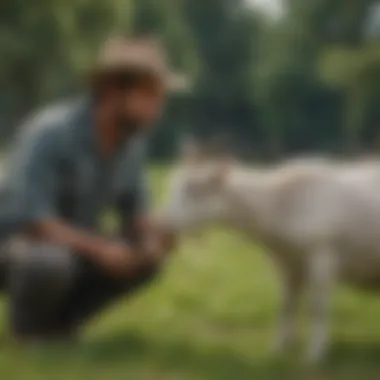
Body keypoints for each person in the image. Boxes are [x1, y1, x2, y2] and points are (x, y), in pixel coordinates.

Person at [0, 35, 186, 343]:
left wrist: (156, 237)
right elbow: (36, 221)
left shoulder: (132, 146)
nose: (158, 109)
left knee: (147, 257)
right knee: (49, 262)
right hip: (16, 242)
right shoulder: (51, 132)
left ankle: (61, 325)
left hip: (72, 246)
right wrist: (101, 249)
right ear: (113, 92)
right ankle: (29, 330)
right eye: (151, 96)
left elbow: (136, 215)